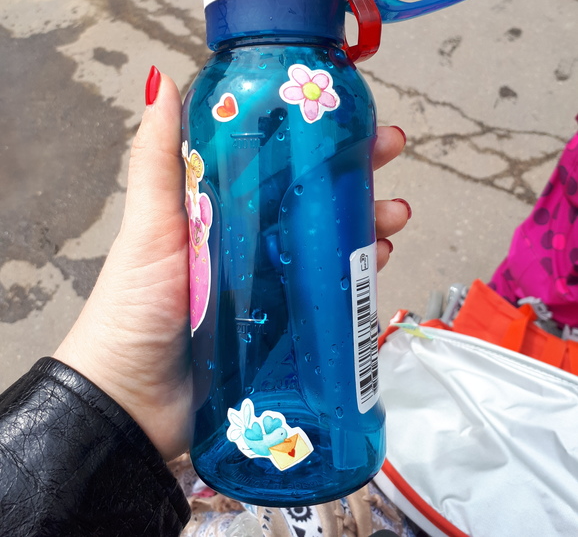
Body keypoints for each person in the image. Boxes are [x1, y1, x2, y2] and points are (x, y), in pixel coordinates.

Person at [0, 67, 411, 537]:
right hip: (217, 420)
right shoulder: (222, 89)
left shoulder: (282, 86)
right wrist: (116, 390)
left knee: (330, 267)